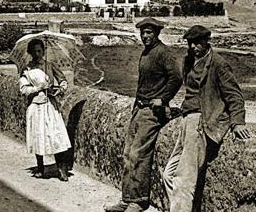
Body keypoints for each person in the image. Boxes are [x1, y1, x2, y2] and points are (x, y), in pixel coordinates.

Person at [162, 25, 250, 212]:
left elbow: (234, 95)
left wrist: (237, 122)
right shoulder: (189, 61)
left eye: (197, 43)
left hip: (202, 122)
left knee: (184, 178)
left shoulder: (218, 63)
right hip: (187, 121)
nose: (193, 46)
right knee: (168, 175)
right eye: (190, 43)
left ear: (206, 41)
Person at [105, 17, 183, 212]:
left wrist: (163, 99)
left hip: (152, 111)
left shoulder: (163, 53)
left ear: (157, 33)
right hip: (138, 107)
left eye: (149, 33)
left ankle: (139, 201)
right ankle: (127, 198)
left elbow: (177, 77)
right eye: (143, 33)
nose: (145, 36)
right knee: (128, 153)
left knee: (139, 153)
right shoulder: (146, 53)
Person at [19, 38, 71, 182]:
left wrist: (60, 89)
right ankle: (40, 168)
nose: (37, 54)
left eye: (40, 51)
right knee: (38, 135)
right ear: (30, 52)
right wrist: (38, 88)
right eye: (34, 51)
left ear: (43, 51)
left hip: (50, 105)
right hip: (36, 106)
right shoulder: (27, 70)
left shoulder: (50, 65)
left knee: (56, 135)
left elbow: (63, 81)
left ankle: (61, 169)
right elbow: (23, 89)